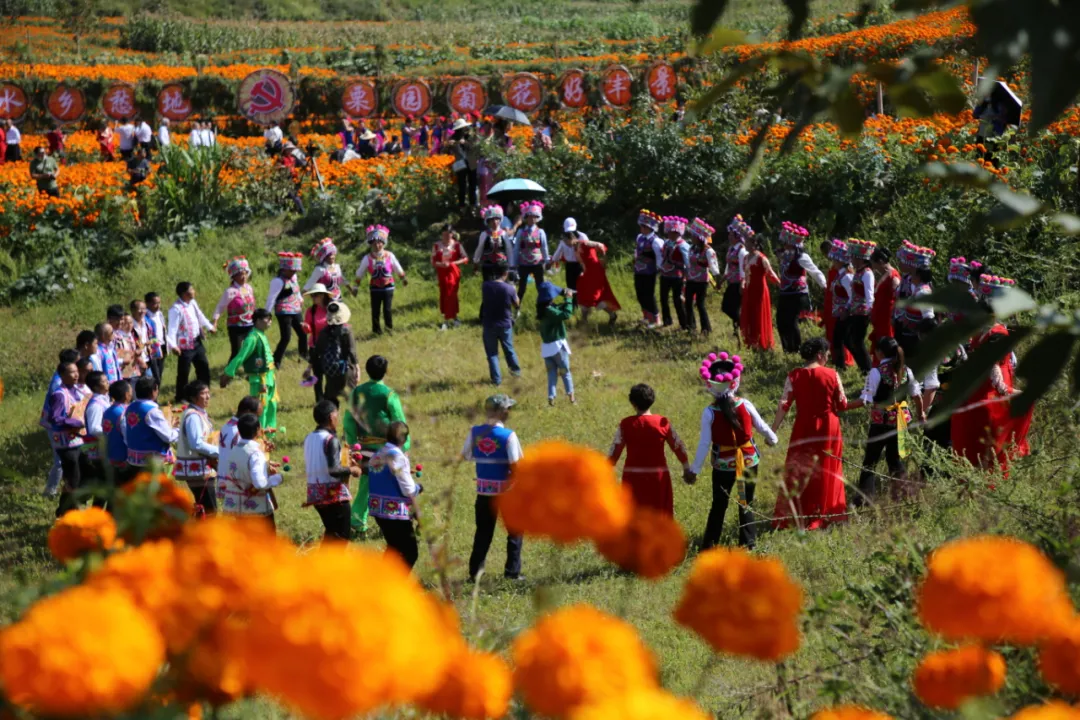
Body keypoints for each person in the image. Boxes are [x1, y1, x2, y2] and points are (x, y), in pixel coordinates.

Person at [686, 353, 778, 548]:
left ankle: (710, 546)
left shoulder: (710, 412)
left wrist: (695, 470)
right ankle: (748, 544)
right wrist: (772, 439)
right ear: (735, 382)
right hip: (748, 462)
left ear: (710, 385)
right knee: (745, 502)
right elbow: (761, 426)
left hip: (723, 465)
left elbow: (704, 443)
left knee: (719, 505)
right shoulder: (745, 404)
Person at [771, 337, 848, 530]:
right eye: (827, 355)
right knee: (828, 467)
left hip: (803, 427)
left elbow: (784, 405)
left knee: (799, 468)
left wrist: (772, 430)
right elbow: (842, 404)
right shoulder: (832, 374)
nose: (828, 358)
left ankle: (797, 515)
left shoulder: (794, 376)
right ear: (820, 355)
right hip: (828, 428)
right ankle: (826, 513)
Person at [951, 275, 1025, 474]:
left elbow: (991, 364)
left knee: (988, 433)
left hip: (989, 389)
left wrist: (1004, 389)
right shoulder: (984, 331)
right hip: (981, 386)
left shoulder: (997, 333)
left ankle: (988, 473)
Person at [844, 337, 923, 506]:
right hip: (901, 421)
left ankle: (864, 499)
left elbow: (864, 400)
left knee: (870, 460)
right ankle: (903, 496)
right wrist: (921, 414)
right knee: (894, 458)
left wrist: (842, 407)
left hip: (881, 422)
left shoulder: (876, 372)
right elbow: (916, 395)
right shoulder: (906, 370)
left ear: (880, 352)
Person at [462, 394, 524, 581]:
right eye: (507, 409)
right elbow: (516, 465)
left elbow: (465, 455)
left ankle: (475, 573)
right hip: (507, 492)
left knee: (483, 532)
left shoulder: (474, 432)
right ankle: (512, 572)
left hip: (483, 492)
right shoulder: (508, 436)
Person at [344, 354, 408, 533]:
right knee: (392, 485)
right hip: (388, 449)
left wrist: (352, 444)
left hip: (364, 448)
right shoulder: (389, 395)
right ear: (385, 371)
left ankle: (357, 520)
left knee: (366, 484)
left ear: (366, 370)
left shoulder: (357, 392)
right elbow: (399, 422)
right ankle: (392, 519)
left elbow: (349, 420)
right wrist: (404, 446)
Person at [609, 383, 690, 517]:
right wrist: (686, 466)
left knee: (633, 514)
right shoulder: (662, 423)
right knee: (659, 514)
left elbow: (615, 449)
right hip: (658, 476)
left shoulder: (626, 424)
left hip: (633, 477)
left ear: (632, 402)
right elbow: (677, 445)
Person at [304, 400, 362, 542]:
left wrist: (345, 462)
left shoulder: (309, 438)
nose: (338, 418)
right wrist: (352, 469)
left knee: (331, 534)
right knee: (341, 538)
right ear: (331, 417)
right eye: (337, 414)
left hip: (316, 495)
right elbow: (334, 470)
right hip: (333, 497)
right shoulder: (331, 440)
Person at [218, 414, 281, 527]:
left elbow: (241, 469)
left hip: (237, 508)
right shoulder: (255, 453)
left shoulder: (234, 450)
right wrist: (278, 478)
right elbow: (260, 483)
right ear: (258, 430)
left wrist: (265, 466)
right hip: (256, 511)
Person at [222, 309, 278, 430]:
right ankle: (258, 435)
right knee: (261, 407)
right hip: (260, 379)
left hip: (269, 377)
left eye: (270, 319)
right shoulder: (252, 338)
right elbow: (241, 356)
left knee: (272, 404)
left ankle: (269, 434)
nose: (270, 322)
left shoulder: (261, 334)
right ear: (257, 321)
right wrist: (228, 373)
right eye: (267, 319)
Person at [776, 221, 827, 354]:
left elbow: (814, 271)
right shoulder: (784, 255)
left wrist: (825, 286)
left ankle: (796, 349)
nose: (784, 244)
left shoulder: (801, 257)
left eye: (786, 241)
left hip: (797, 293)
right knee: (781, 321)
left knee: (791, 322)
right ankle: (787, 349)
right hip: (785, 292)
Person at [48, 361, 88, 517]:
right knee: (73, 479)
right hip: (66, 445)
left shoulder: (75, 391)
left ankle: (66, 510)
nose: (76, 374)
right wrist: (75, 422)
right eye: (72, 372)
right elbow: (55, 418)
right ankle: (66, 512)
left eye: (77, 371)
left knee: (80, 476)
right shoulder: (59, 394)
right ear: (63, 375)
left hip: (78, 441)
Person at [174, 380, 219, 516]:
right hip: (197, 470)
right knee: (209, 510)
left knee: (203, 508)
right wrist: (219, 452)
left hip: (201, 468)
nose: (207, 397)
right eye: (203, 393)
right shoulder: (193, 416)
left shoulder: (198, 413)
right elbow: (196, 444)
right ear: (194, 397)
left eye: (208, 393)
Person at [168, 281, 215, 405]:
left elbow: (200, 315)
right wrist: (173, 345)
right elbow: (172, 328)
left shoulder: (192, 303)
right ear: (184, 293)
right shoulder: (176, 309)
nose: (194, 291)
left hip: (196, 341)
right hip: (184, 346)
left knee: (203, 367)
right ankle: (181, 396)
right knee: (184, 372)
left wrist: (209, 327)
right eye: (191, 290)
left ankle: (204, 392)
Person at [355, 225, 407, 335]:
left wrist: (403, 278)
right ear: (370, 244)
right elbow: (360, 272)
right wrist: (356, 287)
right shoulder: (367, 258)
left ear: (383, 243)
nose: (377, 245)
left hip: (388, 286)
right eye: (374, 243)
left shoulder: (389, 255)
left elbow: (397, 267)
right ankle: (376, 330)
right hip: (375, 288)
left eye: (379, 242)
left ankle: (389, 329)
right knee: (375, 310)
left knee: (387, 309)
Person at [568, 218, 620, 326]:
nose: (565, 242)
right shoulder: (575, 249)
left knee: (594, 297)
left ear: (572, 238)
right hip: (587, 274)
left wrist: (603, 259)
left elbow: (600, 245)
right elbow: (582, 263)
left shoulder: (585, 243)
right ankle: (584, 320)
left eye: (566, 240)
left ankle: (612, 315)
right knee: (583, 294)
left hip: (596, 272)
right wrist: (583, 271)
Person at [122, 376, 179, 471]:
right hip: (151, 462)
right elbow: (168, 437)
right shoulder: (152, 411)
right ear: (153, 391)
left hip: (133, 459)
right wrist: (178, 431)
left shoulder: (130, 407)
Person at [480, 263, 522, 386]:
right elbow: (516, 304)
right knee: (509, 350)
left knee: (492, 354)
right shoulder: (509, 288)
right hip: (505, 324)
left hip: (489, 324)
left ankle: (496, 381)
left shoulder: (485, 286)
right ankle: (516, 374)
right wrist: (513, 287)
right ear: (506, 273)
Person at [893, 241, 936, 357]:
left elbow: (928, 315)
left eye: (902, 261)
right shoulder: (907, 279)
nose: (900, 264)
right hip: (903, 324)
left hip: (915, 331)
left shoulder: (924, 289)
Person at [537, 282, 576, 406]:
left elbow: (557, 309)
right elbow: (566, 314)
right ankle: (572, 399)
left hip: (547, 349)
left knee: (552, 374)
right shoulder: (549, 311)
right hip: (557, 347)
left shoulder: (543, 310)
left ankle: (551, 399)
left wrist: (565, 299)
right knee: (565, 372)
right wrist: (569, 299)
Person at [266, 251, 307, 367]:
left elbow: (296, 290)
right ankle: (276, 361)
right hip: (283, 311)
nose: (294, 272)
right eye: (292, 270)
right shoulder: (278, 281)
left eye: (295, 270)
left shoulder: (293, 277)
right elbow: (271, 298)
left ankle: (304, 356)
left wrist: (299, 299)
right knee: (286, 337)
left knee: (303, 333)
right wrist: (267, 315)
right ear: (284, 269)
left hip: (296, 309)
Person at [739, 233, 780, 350]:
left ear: (754, 244)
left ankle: (763, 342)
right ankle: (752, 341)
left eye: (748, 243)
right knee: (750, 314)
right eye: (745, 242)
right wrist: (742, 283)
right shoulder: (746, 258)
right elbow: (745, 274)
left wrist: (780, 285)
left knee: (758, 314)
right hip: (749, 289)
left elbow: (770, 273)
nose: (746, 245)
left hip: (760, 290)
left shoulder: (761, 258)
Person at [213, 256, 257, 362]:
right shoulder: (230, 291)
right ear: (233, 277)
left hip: (250, 324)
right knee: (236, 351)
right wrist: (214, 322)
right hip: (236, 326)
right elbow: (220, 307)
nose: (243, 277)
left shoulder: (249, 288)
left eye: (245, 273)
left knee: (252, 348)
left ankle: (251, 370)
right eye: (240, 274)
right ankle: (229, 373)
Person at [316, 300, 359, 406]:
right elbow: (351, 351)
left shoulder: (324, 332)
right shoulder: (347, 331)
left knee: (330, 398)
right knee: (353, 397)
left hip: (330, 370)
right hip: (346, 368)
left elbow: (318, 350)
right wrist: (357, 367)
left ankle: (328, 417)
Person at [78, 371, 111, 507]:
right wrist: (112, 434)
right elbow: (94, 428)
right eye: (104, 381)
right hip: (98, 452)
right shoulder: (96, 405)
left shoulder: (103, 399)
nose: (107, 382)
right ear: (96, 387)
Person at [843, 239, 877, 373]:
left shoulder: (867, 273)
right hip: (854, 311)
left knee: (857, 341)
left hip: (862, 312)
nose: (851, 259)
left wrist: (870, 311)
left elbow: (869, 295)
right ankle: (863, 366)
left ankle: (867, 368)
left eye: (853, 257)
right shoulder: (858, 272)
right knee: (849, 339)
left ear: (859, 258)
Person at [684, 218, 719, 336]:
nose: (692, 237)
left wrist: (717, 281)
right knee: (688, 302)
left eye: (694, 236)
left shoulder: (709, 251)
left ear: (699, 238)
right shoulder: (691, 248)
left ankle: (706, 329)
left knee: (700, 304)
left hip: (702, 281)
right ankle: (691, 327)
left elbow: (714, 268)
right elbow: (688, 263)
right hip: (690, 279)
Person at [511, 202, 550, 310]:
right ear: (526, 217)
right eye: (530, 216)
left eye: (535, 217)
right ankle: (516, 309)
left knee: (540, 287)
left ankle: (543, 309)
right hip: (523, 263)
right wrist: (513, 264)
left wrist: (547, 261)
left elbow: (544, 247)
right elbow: (516, 248)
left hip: (537, 263)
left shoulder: (541, 232)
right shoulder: (520, 232)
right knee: (521, 288)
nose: (532, 219)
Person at [824, 239, 856, 370]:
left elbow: (853, 295)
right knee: (838, 339)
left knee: (846, 340)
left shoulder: (847, 276)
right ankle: (840, 364)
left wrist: (846, 310)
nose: (834, 263)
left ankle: (846, 363)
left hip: (845, 313)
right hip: (838, 312)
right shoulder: (840, 274)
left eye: (836, 261)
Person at [721, 216, 752, 343]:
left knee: (730, 308)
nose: (729, 237)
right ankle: (739, 328)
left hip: (738, 283)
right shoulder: (731, 249)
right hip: (731, 282)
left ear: (737, 237)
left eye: (731, 235)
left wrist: (742, 283)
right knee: (730, 307)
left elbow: (742, 268)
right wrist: (722, 279)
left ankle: (742, 326)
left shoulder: (741, 251)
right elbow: (728, 266)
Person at [432, 224, 467, 330]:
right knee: (444, 294)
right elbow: (433, 261)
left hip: (453, 274)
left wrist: (453, 263)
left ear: (452, 234)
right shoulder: (437, 246)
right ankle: (452, 318)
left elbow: (465, 258)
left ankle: (448, 320)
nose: (447, 236)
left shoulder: (457, 245)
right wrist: (440, 265)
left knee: (451, 294)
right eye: (444, 234)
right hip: (442, 273)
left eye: (449, 234)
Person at [632, 210, 665, 327]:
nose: (641, 228)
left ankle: (656, 319)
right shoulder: (640, 237)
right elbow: (637, 250)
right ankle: (646, 316)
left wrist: (660, 270)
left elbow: (660, 257)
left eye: (644, 226)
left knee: (649, 295)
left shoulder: (656, 241)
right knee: (640, 294)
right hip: (638, 270)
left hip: (650, 272)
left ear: (649, 227)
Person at [658, 215, 691, 329]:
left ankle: (684, 323)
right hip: (665, 274)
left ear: (678, 232)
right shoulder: (666, 243)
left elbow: (688, 261)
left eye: (672, 232)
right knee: (663, 298)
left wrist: (687, 275)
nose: (670, 234)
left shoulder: (683, 245)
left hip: (677, 275)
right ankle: (667, 320)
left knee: (677, 300)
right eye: (669, 231)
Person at [302, 283, 332, 401]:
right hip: (315, 346)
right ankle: (319, 400)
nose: (313, 298)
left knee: (330, 374)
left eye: (315, 295)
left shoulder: (331, 308)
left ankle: (329, 398)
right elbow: (308, 328)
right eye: (312, 295)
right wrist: (305, 327)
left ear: (323, 296)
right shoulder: (311, 311)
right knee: (317, 376)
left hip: (329, 346)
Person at [101, 380, 133, 488]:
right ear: (126, 395)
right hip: (124, 459)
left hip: (110, 457)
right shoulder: (125, 412)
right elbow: (128, 437)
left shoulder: (107, 411)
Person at [869, 246, 901, 350]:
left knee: (886, 344)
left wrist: (894, 316)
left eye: (874, 262)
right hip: (880, 316)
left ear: (881, 262)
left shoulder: (893, 277)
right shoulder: (884, 274)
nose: (872, 265)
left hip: (887, 317)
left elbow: (898, 298)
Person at [474, 205, 512, 282]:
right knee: (489, 287)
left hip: (502, 265)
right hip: (488, 265)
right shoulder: (484, 234)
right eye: (492, 220)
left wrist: (511, 265)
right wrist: (476, 261)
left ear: (500, 220)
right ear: (488, 221)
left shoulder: (504, 234)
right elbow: (479, 248)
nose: (495, 222)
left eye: (497, 219)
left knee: (502, 287)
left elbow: (509, 249)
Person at [449, 117, 478, 208]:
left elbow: (473, 148)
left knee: (472, 183)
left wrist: (464, 143)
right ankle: (462, 205)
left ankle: (473, 204)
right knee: (462, 185)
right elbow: (447, 151)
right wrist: (450, 145)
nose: (463, 130)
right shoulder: (453, 137)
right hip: (460, 163)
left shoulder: (470, 136)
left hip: (471, 160)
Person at [550, 222, 583, 291]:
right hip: (570, 265)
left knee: (581, 286)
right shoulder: (563, 240)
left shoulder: (582, 236)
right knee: (571, 287)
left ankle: (580, 301)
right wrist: (551, 262)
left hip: (581, 265)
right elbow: (557, 254)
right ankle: (572, 301)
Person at [144, 292, 167, 384]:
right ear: (148, 303)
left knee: (160, 371)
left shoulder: (160, 314)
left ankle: (156, 392)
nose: (157, 306)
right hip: (152, 348)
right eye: (155, 303)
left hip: (161, 346)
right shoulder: (145, 317)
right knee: (155, 374)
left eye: (159, 303)